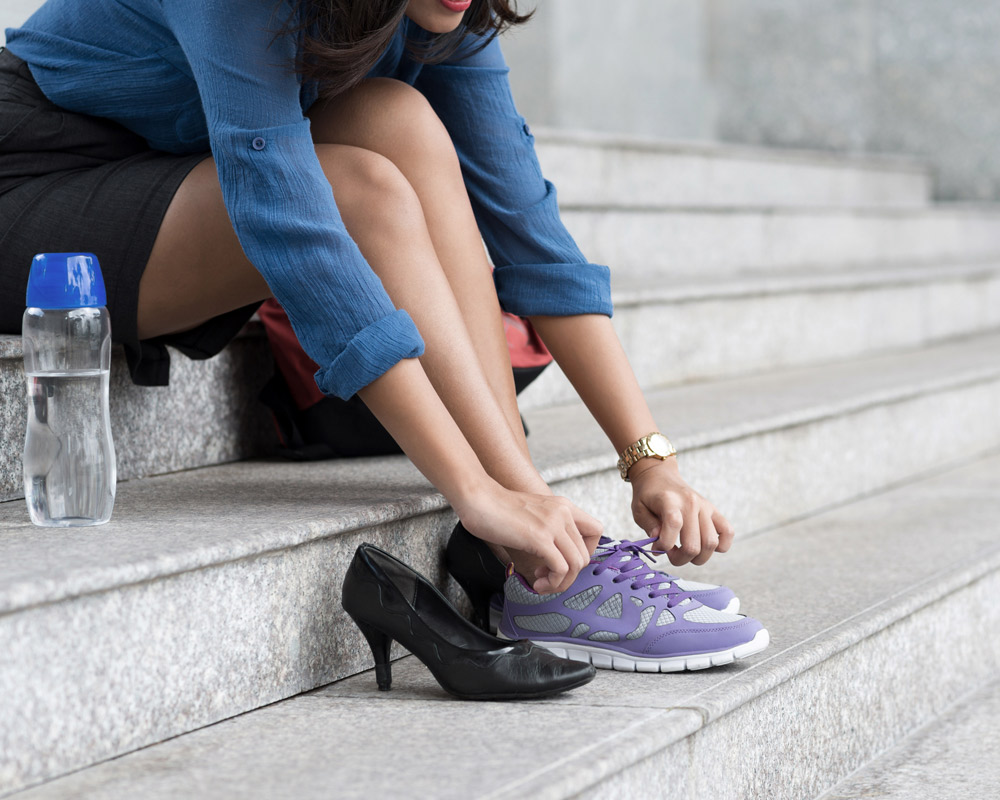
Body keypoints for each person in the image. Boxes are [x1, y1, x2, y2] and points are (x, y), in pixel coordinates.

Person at [0, 0, 767, 671]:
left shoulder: (442, 8)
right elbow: (297, 232)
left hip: (164, 172)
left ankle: (533, 539)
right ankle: (534, 547)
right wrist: (473, 493)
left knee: (395, 115)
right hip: (33, 184)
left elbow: (532, 240)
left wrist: (648, 461)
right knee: (361, 188)